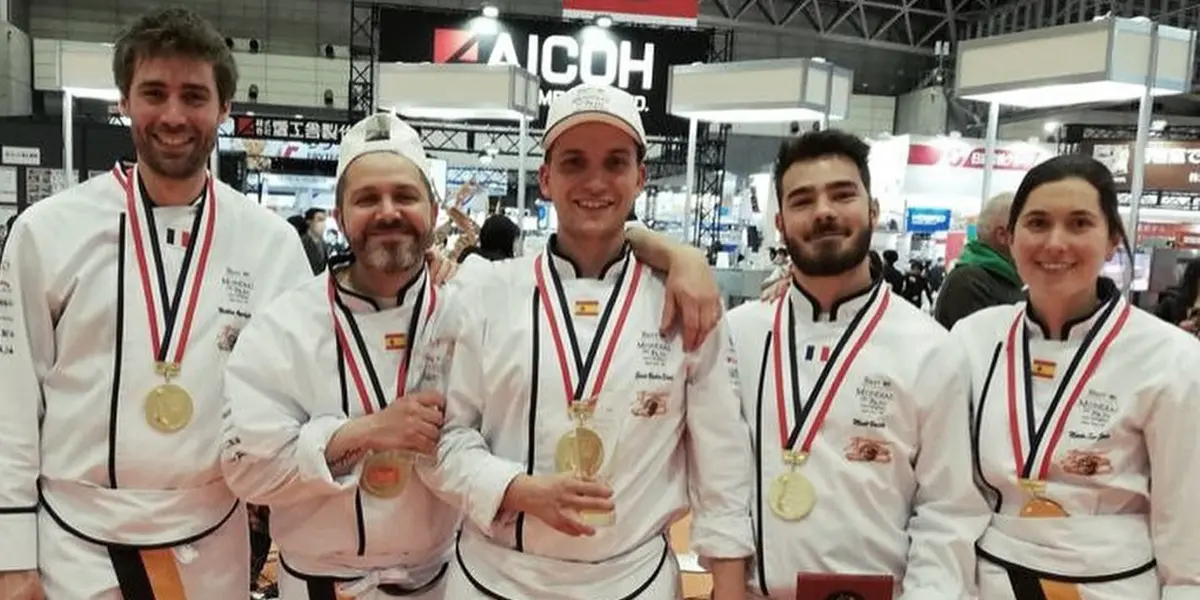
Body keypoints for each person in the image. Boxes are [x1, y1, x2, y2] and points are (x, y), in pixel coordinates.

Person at [219, 110, 726, 600]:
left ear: (433, 214)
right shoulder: (283, 325)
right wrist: (360, 434)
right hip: (321, 586)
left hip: (442, 582)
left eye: (405, 196)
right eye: (367, 198)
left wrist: (679, 253)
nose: (388, 212)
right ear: (339, 215)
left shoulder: (470, 296)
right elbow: (243, 470)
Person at [0, 8, 313, 600]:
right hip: (72, 546)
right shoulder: (48, 231)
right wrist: (10, 557)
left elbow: (302, 394)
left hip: (210, 542)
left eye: (194, 96)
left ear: (224, 108)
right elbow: (9, 403)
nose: (173, 116)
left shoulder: (271, 245)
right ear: (124, 101)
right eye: (154, 93)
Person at [431, 83, 754, 600]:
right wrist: (515, 489)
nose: (595, 182)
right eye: (574, 162)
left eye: (616, 163)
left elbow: (722, 461)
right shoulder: (485, 293)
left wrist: (731, 587)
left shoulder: (684, 298)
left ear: (640, 177)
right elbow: (442, 439)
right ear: (546, 178)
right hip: (493, 579)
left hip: (633, 581)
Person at [726, 130, 988, 599]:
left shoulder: (930, 348)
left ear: (873, 210)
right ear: (781, 223)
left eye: (842, 194)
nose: (824, 210)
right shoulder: (738, 334)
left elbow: (948, 510)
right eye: (803, 200)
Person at [950, 155, 1200, 599]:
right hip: (988, 580)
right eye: (1038, 223)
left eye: (1080, 223)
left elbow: (1187, 530)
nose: (1055, 242)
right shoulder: (972, 339)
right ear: (1011, 238)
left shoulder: (1173, 357)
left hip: (1114, 586)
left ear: (1111, 240)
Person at [933, 192, 1024, 329]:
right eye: (1030, 226)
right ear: (1003, 235)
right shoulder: (969, 282)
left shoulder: (1008, 278)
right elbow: (984, 346)